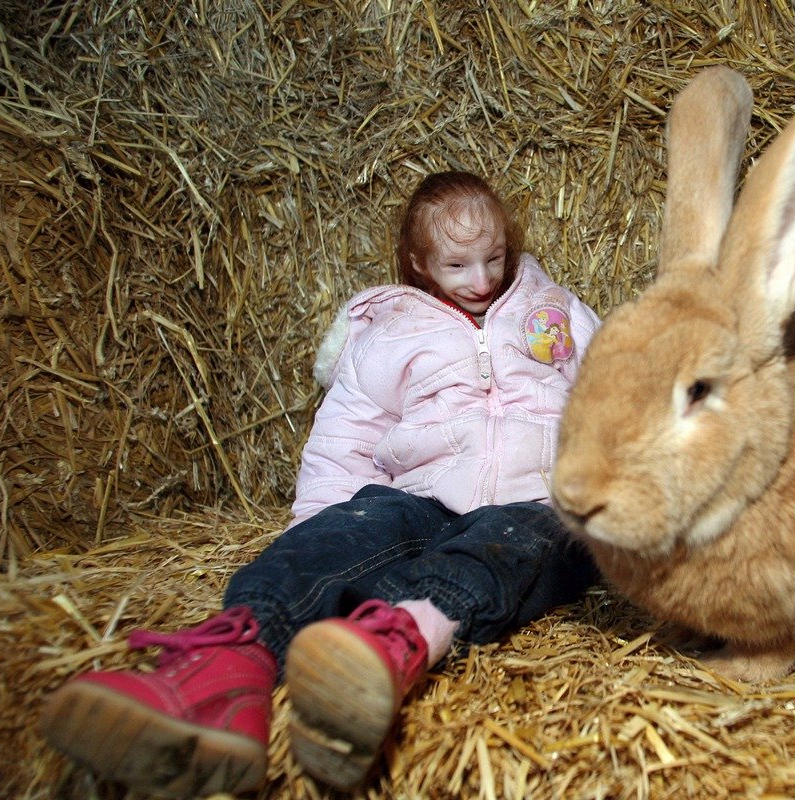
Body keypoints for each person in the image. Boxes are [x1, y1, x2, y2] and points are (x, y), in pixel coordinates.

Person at [42, 171, 602, 797]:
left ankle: (392, 647)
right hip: (419, 494)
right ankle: (222, 669)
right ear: (419, 263)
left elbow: (620, 387)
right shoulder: (389, 334)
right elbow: (346, 439)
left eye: (494, 258)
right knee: (354, 529)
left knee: (520, 544)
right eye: (457, 264)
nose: (481, 280)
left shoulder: (555, 310)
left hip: (533, 499)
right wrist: (320, 531)